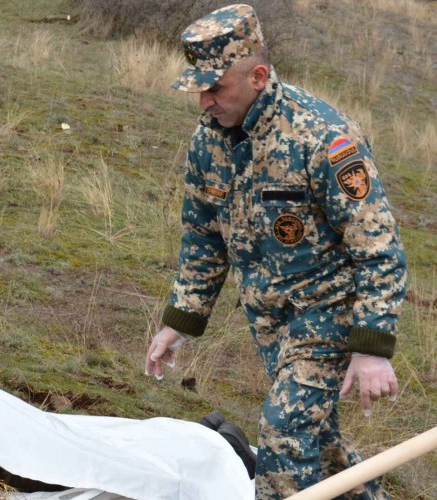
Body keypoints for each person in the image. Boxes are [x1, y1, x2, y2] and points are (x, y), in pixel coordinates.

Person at [143, 4, 406, 499]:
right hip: (270, 321)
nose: (204, 102)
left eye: (215, 88)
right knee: (319, 443)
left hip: (329, 313)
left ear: (258, 76)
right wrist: (182, 319)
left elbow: (379, 246)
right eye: (199, 89)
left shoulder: (324, 139)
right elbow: (203, 234)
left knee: (284, 434)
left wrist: (371, 348)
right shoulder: (211, 139)